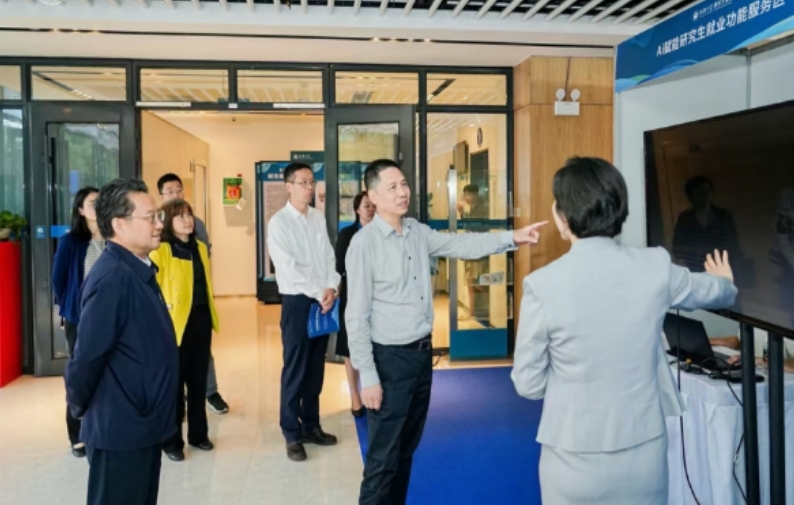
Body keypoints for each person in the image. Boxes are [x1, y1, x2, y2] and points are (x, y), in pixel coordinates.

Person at [510, 157, 737, 505]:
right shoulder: (654, 266)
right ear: (619, 209)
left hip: (572, 455)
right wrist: (725, 283)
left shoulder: (541, 285)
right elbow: (718, 291)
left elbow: (528, 384)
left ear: (562, 216)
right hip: (643, 451)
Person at [345, 159, 545, 505]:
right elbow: (356, 316)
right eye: (392, 187)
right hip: (390, 361)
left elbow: (460, 245)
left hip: (421, 357)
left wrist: (512, 237)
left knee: (406, 450)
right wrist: (369, 377)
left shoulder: (417, 232)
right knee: (382, 459)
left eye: (403, 184)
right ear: (372, 196)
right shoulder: (364, 244)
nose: (402, 192)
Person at [64, 179, 178, 505]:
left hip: (141, 424)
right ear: (119, 225)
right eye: (150, 217)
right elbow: (86, 358)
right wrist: (79, 406)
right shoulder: (113, 278)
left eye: (158, 215)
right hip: (121, 428)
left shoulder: (136, 269)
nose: (160, 224)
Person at [267, 161, 341, 462]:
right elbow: (288, 269)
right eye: (303, 183)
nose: (310, 188)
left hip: (322, 300)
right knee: (295, 368)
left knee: (315, 368)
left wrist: (332, 286)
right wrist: (319, 291)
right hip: (298, 302)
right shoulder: (279, 223)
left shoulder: (317, 218)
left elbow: (328, 257)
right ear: (288, 186)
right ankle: (291, 432)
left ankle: (311, 425)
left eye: (312, 182)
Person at [151, 199, 219, 462]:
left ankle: (199, 435)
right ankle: (171, 441)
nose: (188, 220)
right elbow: (154, 291)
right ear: (169, 221)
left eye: (189, 214)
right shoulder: (161, 250)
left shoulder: (199, 247)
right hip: (174, 325)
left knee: (198, 381)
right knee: (175, 385)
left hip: (200, 319)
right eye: (180, 216)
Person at [157, 173, 229, 415]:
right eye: (170, 191)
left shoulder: (197, 232)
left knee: (202, 359)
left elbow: (203, 261)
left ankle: (210, 393)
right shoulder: (160, 241)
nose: (176, 194)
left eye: (179, 189)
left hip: (199, 310)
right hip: (174, 314)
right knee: (177, 366)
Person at [52, 186, 104, 458]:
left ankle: (102, 428)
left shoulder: (114, 237)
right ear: (81, 210)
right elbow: (58, 280)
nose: (98, 205)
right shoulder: (71, 241)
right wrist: (68, 308)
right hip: (80, 317)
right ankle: (77, 434)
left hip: (109, 317)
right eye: (93, 202)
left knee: (108, 374)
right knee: (80, 375)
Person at [334, 191, 376, 418]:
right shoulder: (347, 234)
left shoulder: (382, 232)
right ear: (357, 210)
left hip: (378, 298)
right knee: (349, 347)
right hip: (352, 295)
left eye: (373, 206)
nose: (370, 209)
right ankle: (355, 396)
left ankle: (374, 391)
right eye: (366, 206)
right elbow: (339, 267)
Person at [672, 176, 740, 273]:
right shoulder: (685, 218)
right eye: (699, 193)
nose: (704, 196)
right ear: (691, 196)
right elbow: (677, 247)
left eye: (707, 191)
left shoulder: (723, 215)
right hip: (695, 270)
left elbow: (733, 245)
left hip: (720, 268)